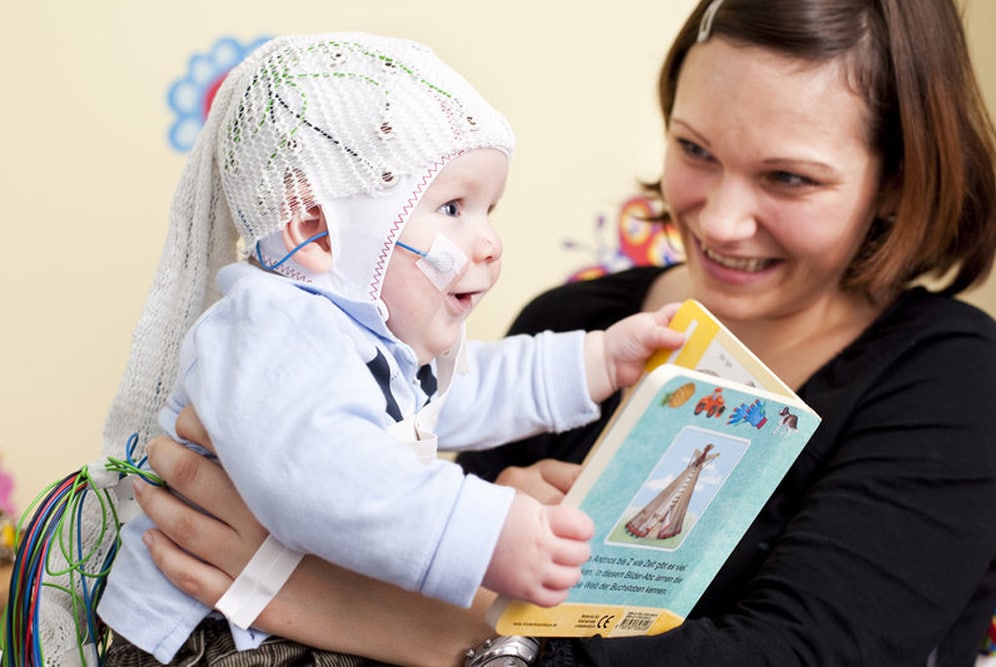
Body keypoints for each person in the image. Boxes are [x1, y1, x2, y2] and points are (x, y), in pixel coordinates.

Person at [126, 0, 996, 664]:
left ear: (894, 181)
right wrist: (480, 534)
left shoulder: (951, 381)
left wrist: (432, 620)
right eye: (694, 150)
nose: (721, 220)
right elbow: (389, 492)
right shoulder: (569, 323)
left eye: (788, 178)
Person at [95, 32, 684, 665]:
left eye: (490, 209)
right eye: (453, 206)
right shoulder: (270, 326)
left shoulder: (371, 342)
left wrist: (599, 360)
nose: (489, 243)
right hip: (211, 637)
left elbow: (469, 386)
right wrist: (487, 534)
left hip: (285, 618)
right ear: (316, 228)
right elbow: (326, 477)